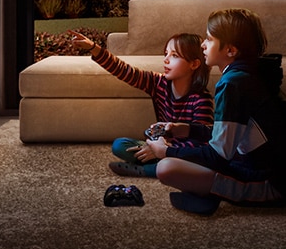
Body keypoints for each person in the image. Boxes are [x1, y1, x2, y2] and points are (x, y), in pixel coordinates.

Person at [149, 7, 286, 214]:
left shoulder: (232, 84)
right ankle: (206, 190)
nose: (202, 44)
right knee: (189, 158)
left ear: (230, 50)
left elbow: (218, 156)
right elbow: (234, 135)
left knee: (165, 167)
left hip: (272, 185)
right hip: (276, 171)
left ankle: (212, 193)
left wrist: (166, 151)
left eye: (209, 39)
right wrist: (185, 129)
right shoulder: (250, 74)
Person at [68, 30, 213, 178]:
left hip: (182, 154)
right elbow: (125, 71)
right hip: (159, 145)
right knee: (120, 145)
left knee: (191, 163)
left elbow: (200, 143)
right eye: (166, 54)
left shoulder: (202, 99)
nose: (166, 60)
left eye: (174, 56)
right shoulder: (158, 83)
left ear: (194, 64)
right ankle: (155, 163)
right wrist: (94, 48)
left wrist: (165, 149)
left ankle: (146, 170)